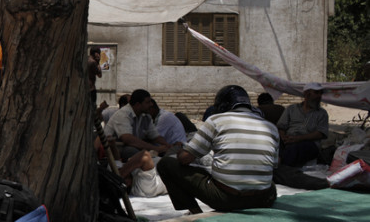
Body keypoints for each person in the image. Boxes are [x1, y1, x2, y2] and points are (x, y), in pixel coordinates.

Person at [156, 85, 279, 214]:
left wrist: (180, 150)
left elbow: (185, 159)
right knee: (269, 183)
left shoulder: (216, 121)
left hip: (226, 199)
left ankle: (195, 212)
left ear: (222, 105)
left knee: (165, 165)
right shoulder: (271, 127)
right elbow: (274, 164)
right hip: (264, 199)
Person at [104, 89, 170, 160]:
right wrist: (156, 149)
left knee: (161, 150)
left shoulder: (145, 116)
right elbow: (128, 139)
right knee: (131, 151)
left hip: (133, 147)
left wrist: (167, 146)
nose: (151, 104)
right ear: (138, 105)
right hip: (116, 150)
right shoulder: (123, 114)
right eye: (148, 102)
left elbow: (155, 136)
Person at [276, 83, 329, 167]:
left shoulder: (322, 113)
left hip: (309, 143)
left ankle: (283, 168)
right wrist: (283, 138)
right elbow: (281, 126)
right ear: (307, 94)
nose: (319, 96)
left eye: (320, 93)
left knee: (295, 148)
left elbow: (321, 133)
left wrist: (298, 138)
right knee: (275, 144)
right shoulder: (291, 109)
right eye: (316, 93)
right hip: (289, 139)